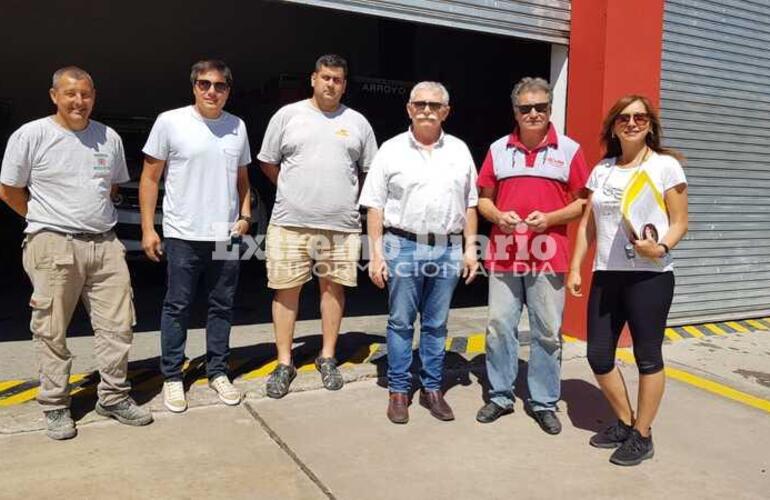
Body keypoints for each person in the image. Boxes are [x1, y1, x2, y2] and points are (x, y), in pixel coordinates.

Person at [0, 66, 153, 439]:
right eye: (70, 94)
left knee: (118, 326)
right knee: (51, 329)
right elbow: (9, 191)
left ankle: (114, 397)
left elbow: (113, 187)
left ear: (93, 96)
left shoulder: (108, 137)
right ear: (54, 96)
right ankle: (55, 405)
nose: (78, 102)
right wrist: (45, 220)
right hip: (53, 244)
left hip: (104, 243)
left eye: (85, 94)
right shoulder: (32, 135)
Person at [567, 94, 688, 466]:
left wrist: (662, 248)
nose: (632, 123)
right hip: (607, 273)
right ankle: (624, 421)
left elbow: (680, 220)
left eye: (639, 117)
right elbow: (587, 223)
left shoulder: (665, 167)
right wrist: (576, 266)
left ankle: (643, 434)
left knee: (647, 357)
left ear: (650, 124)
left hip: (650, 276)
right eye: (624, 118)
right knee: (599, 354)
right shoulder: (602, 169)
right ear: (613, 126)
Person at [258, 54, 377, 398]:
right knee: (286, 290)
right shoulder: (288, 115)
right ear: (313, 79)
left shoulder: (357, 123)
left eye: (338, 79)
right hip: (290, 223)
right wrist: (294, 190)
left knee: (332, 290)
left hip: (340, 225)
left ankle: (327, 356)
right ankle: (284, 362)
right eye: (325, 77)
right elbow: (267, 162)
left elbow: (370, 170)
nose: (331, 84)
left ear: (344, 84)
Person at [360, 81, 479, 424]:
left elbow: (470, 204)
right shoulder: (391, 150)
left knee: (436, 324)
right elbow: (375, 207)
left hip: (447, 248)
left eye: (434, 104)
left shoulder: (459, 150)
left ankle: (432, 389)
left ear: (446, 111)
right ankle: (399, 390)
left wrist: (470, 250)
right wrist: (377, 256)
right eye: (420, 103)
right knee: (400, 322)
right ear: (409, 109)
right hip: (402, 245)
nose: (427, 109)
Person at [475, 77, 589, 434]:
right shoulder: (497, 149)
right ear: (516, 111)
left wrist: (551, 219)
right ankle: (501, 396)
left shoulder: (569, 150)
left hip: (549, 257)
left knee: (547, 333)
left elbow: (584, 203)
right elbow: (483, 200)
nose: (533, 113)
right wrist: (496, 216)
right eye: (526, 108)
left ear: (550, 109)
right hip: (504, 255)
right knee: (498, 327)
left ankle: (543, 402)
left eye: (540, 107)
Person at [140, 60, 252, 413]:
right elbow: (149, 178)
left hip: (225, 233)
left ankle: (218, 371)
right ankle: (172, 376)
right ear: (193, 87)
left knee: (222, 306)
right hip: (182, 231)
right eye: (204, 84)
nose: (211, 91)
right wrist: (147, 228)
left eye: (219, 86)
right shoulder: (170, 122)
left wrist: (246, 215)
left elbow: (242, 178)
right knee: (178, 305)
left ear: (228, 90)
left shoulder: (238, 126)